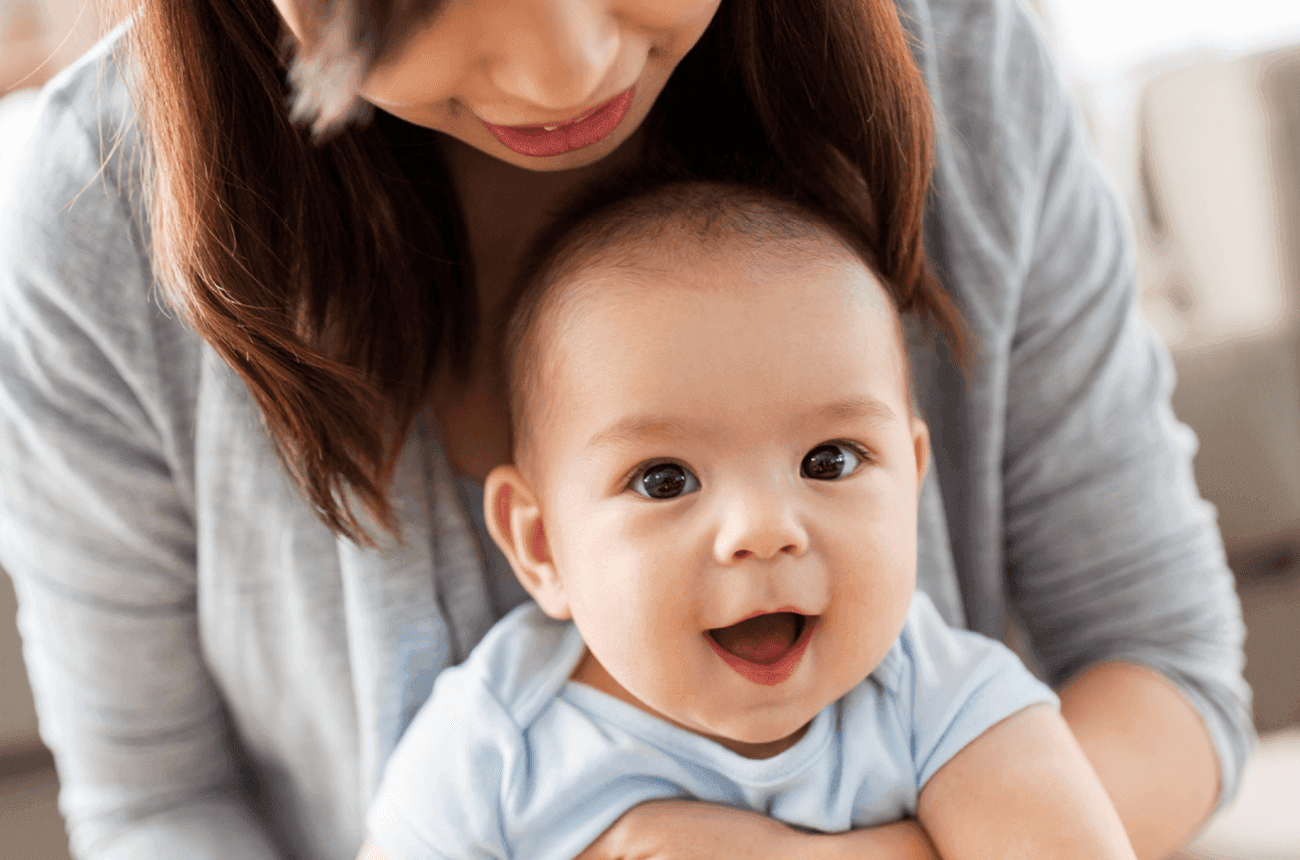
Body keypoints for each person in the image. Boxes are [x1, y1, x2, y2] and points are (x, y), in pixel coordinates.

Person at [0, 0, 1250, 858]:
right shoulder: (89, 220)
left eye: (831, 461)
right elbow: (161, 803)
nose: (566, 70)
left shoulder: (961, 58)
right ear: (529, 537)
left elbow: (1164, 664)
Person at [355, 177, 1137, 860]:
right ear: (541, 544)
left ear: (911, 484)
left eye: (828, 460)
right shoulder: (492, 748)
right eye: (665, 479)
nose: (764, 529)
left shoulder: (938, 702)